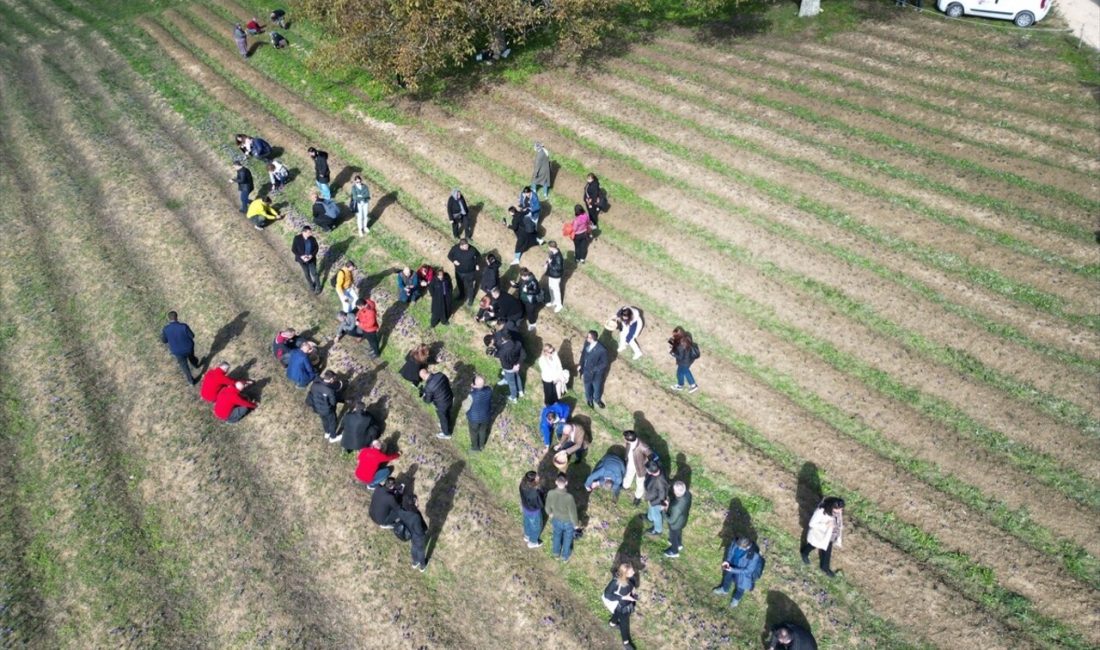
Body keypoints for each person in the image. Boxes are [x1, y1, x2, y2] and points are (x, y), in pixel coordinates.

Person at [714, 536, 764, 607]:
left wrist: (732, 569)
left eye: (741, 548)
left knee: (740, 588)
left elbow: (748, 570)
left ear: (747, 547)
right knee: (727, 578)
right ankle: (724, 589)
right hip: (731, 565)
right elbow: (731, 552)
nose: (739, 548)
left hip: (742, 573)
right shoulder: (735, 542)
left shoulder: (754, 555)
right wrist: (727, 561)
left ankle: (735, 600)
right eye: (738, 546)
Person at [801, 497, 844, 578]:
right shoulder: (820, 511)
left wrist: (838, 533)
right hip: (820, 534)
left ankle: (825, 567)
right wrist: (825, 525)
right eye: (838, 510)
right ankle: (804, 553)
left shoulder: (837, 511)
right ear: (831, 506)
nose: (840, 511)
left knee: (827, 550)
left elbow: (839, 521)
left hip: (829, 535)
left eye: (841, 509)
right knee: (813, 545)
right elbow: (812, 524)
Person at [603, 562, 638, 650]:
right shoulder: (615, 582)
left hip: (627, 603)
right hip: (622, 607)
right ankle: (626, 643)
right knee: (624, 623)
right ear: (624, 573)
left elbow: (632, 586)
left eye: (632, 570)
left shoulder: (631, 578)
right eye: (631, 572)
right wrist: (622, 597)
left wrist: (632, 594)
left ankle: (612, 623)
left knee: (617, 613)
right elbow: (607, 595)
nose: (633, 572)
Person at [161, 311, 200, 385]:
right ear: (176, 317)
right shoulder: (183, 326)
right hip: (188, 348)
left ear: (169, 319)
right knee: (191, 357)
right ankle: (195, 364)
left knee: (184, 366)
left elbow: (164, 340)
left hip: (177, 351)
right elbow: (192, 336)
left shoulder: (166, 329)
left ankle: (191, 381)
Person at [545, 474, 578, 562]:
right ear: (566, 483)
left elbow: (547, 507)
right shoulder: (569, 497)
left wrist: (550, 513)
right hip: (568, 522)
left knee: (556, 535)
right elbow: (572, 513)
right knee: (567, 539)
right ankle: (565, 557)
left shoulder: (551, 493)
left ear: (556, 482)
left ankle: (556, 553)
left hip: (556, 519)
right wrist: (575, 524)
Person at [307, 371, 344, 442]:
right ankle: (333, 437)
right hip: (327, 410)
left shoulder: (314, 385)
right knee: (332, 422)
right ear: (331, 379)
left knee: (324, 420)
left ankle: (327, 432)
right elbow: (333, 402)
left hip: (317, 407)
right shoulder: (330, 391)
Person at [577, 330, 608, 409]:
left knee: (597, 388)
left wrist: (594, 369)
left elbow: (604, 363)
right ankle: (589, 399)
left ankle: (597, 400)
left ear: (593, 339)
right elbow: (583, 354)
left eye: (588, 337)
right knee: (587, 387)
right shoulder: (587, 343)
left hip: (596, 374)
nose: (586, 338)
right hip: (586, 371)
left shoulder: (601, 350)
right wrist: (580, 364)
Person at [419, 368, 454, 439]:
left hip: (441, 405)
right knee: (448, 412)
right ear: (428, 371)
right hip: (449, 397)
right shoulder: (440, 375)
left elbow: (427, 401)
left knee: (443, 418)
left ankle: (446, 434)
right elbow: (447, 382)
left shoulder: (428, 387)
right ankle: (448, 424)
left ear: (423, 378)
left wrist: (423, 396)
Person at [399, 495, 429, 572]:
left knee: (414, 547)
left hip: (410, 533)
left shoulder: (403, 510)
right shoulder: (416, 515)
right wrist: (424, 532)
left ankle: (415, 562)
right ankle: (422, 565)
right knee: (420, 550)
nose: (418, 502)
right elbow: (420, 529)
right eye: (416, 501)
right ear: (413, 503)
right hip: (418, 536)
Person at [447, 239, 481, 307]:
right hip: (459, 272)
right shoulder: (455, 249)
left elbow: (478, 256)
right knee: (460, 284)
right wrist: (453, 261)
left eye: (467, 245)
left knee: (470, 287)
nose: (467, 247)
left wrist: (477, 264)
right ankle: (462, 295)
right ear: (461, 246)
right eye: (465, 246)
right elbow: (449, 255)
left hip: (470, 272)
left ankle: (471, 299)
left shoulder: (472, 249)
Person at [622, 430, 652, 506]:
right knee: (628, 475)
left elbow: (651, 456)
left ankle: (638, 497)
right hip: (631, 464)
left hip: (641, 468)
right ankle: (626, 486)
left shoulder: (643, 446)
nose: (624, 439)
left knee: (640, 483)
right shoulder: (629, 443)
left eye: (625, 438)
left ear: (629, 439)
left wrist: (646, 464)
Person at [664, 481, 691, 558]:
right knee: (678, 532)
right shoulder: (688, 494)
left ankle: (674, 551)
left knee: (673, 535)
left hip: (675, 524)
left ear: (675, 492)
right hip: (683, 519)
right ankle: (679, 543)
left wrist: (664, 510)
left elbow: (670, 520)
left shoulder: (676, 507)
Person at [495, 333, 525, 403]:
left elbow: (503, 360)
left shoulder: (503, 350)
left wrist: (494, 354)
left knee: (512, 384)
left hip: (509, 369)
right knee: (517, 378)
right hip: (516, 366)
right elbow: (523, 354)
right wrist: (518, 364)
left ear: (502, 339)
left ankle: (514, 397)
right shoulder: (517, 343)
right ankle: (521, 392)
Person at [669, 326, 700, 393]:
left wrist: (672, 353)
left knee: (684, 372)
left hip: (684, 361)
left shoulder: (681, 345)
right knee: (682, 372)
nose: (673, 337)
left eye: (674, 336)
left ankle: (691, 385)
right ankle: (682, 385)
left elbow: (680, 357)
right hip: (690, 358)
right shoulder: (687, 336)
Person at [466, 375, 492, 452]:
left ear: (474, 384)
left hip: (474, 419)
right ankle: (482, 445)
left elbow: (465, 406)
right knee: (483, 431)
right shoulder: (489, 390)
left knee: (474, 433)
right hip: (486, 417)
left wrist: (472, 389)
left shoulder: (471, 395)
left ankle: (475, 447)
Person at [291, 226, 321, 293]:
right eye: (309, 232)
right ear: (303, 232)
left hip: (311, 260)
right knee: (306, 274)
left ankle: (318, 287)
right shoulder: (297, 238)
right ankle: (311, 286)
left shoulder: (312, 239)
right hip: (302, 260)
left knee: (314, 273)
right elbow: (293, 249)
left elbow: (316, 248)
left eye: (311, 232)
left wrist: (311, 255)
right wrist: (301, 256)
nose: (311, 234)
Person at [643, 461, 669, 535]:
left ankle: (658, 530)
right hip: (652, 498)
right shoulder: (658, 469)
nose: (646, 470)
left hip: (656, 501)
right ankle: (649, 518)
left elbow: (661, 497)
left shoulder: (659, 482)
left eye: (647, 469)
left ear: (651, 471)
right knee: (651, 509)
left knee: (656, 515)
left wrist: (652, 503)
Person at [519, 471, 544, 548]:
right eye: (536, 477)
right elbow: (539, 503)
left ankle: (527, 536)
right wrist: (541, 493)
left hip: (525, 508)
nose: (538, 477)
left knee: (527, 521)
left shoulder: (522, 485)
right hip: (533, 512)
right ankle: (532, 542)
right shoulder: (534, 493)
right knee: (536, 527)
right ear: (533, 481)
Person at [544, 240, 564, 313]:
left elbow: (558, 268)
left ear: (551, 247)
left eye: (549, 247)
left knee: (556, 290)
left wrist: (550, 264)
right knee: (551, 287)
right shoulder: (553, 252)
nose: (548, 248)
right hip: (551, 274)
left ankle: (559, 304)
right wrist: (547, 263)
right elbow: (550, 259)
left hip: (556, 276)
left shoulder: (559, 257)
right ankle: (553, 300)